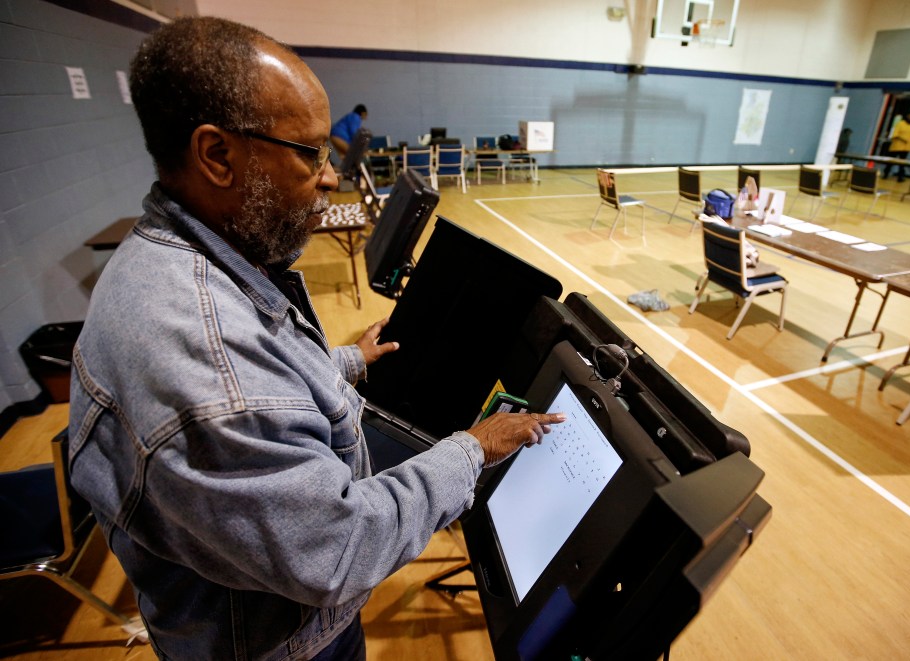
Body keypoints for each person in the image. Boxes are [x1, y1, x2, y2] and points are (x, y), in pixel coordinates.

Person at [67, 17, 563, 661]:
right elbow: (339, 550)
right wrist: (470, 450)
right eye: (309, 152)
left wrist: (347, 361)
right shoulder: (209, 364)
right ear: (217, 155)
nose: (328, 176)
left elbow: (262, 384)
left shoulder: (166, 259)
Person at [884, 110, 910, 182]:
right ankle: (885, 174)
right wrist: (903, 139)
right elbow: (895, 134)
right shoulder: (900, 123)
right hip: (897, 146)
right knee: (891, 161)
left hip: (906, 147)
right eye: (909, 115)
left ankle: (900, 177)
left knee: (902, 163)